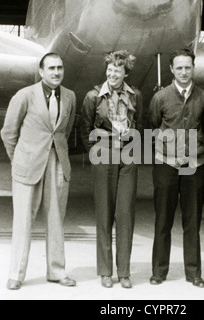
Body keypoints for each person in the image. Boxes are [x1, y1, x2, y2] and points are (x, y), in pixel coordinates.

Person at [1, 53, 77, 290]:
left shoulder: (70, 96)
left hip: (56, 163)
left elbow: (64, 130)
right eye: (51, 68)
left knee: (56, 220)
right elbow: (8, 132)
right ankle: (16, 274)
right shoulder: (24, 95)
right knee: (23, 221)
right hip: (27, 165)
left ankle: (57, 271)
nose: (56, 72)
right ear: (41, 71)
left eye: (60, 68)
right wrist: (19, 159)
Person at [149, 48, 204, 288]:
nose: (184, 72)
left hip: (194, 166)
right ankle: (159, 271)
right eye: (179, 68)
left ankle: (193, 272)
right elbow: (153, 126)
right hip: (166, 165)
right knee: (163, 219)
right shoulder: (161, 98)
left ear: (193, 68)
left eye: (188, 67)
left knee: (192, 220)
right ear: (171, 70)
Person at [81, 50, 143, 289]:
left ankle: (124, 272)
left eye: (118, 70)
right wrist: (97, 152)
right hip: (103, 155)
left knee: (125, 213)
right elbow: (85, 129)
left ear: (126, 72)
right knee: (104, 213)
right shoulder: (93, 96)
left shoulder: (135, 95)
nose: (112, 73)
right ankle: (106, 271)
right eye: (109, 69)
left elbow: (142, 124)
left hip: (128, 156)